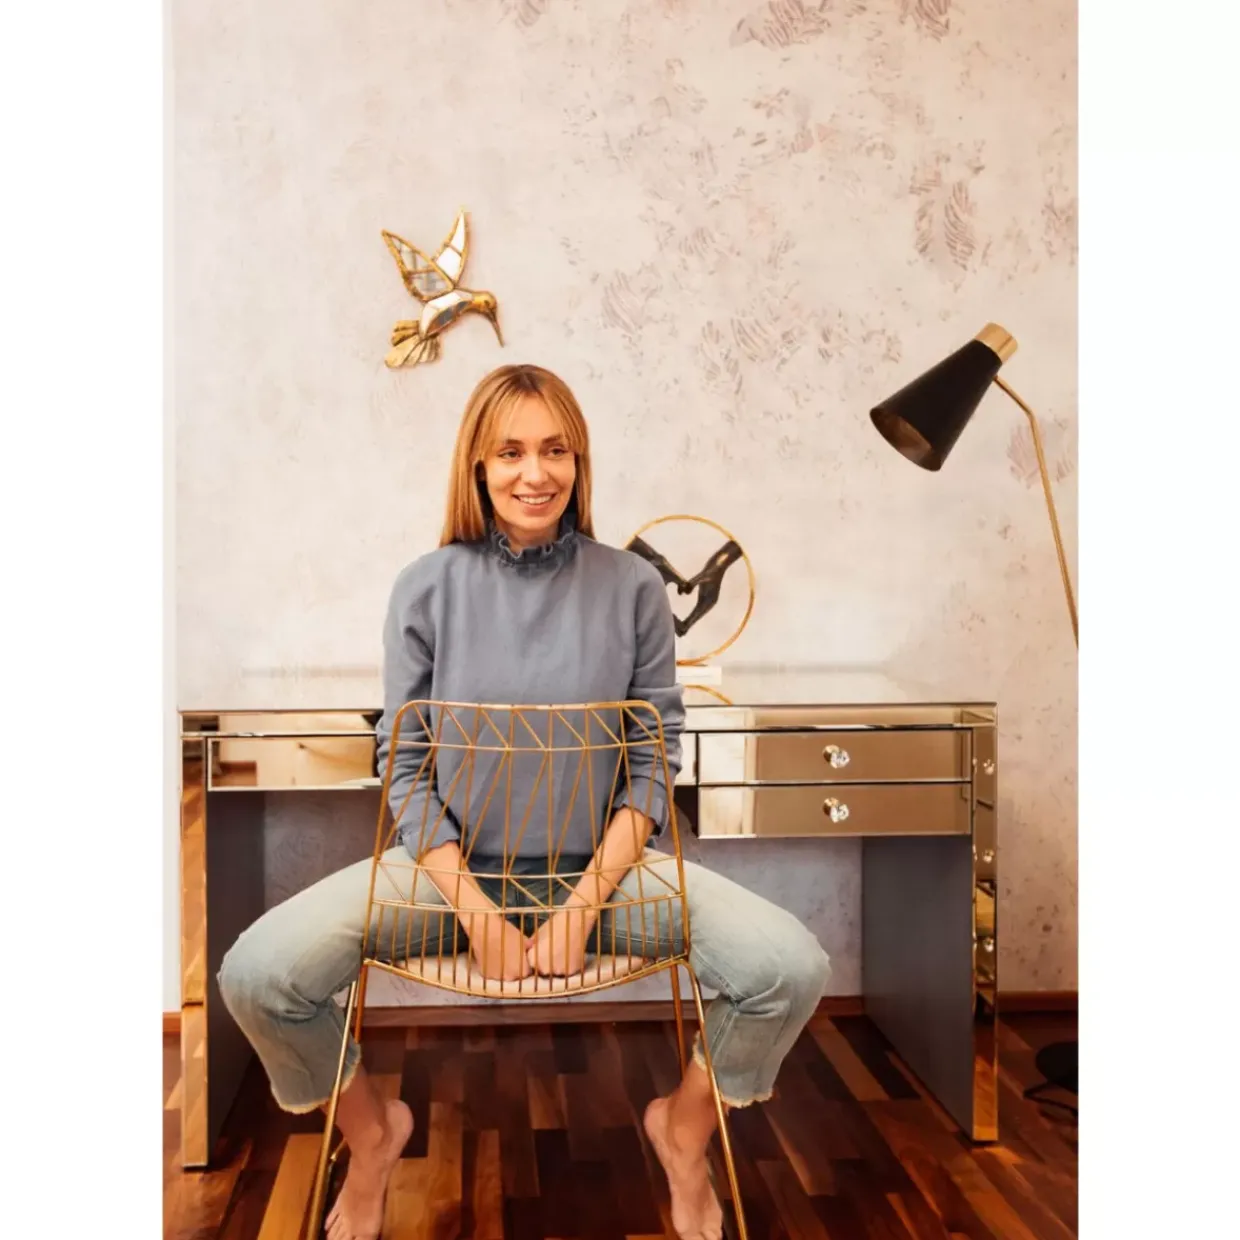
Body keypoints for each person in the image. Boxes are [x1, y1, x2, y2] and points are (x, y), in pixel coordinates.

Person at [218, 364, 832, 1240]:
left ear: (580, 462)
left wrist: (584, 904)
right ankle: (374, 1135)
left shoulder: (632, 587)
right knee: (257, 977)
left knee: (790, 968)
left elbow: (652, 760)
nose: (534, 473)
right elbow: (405, 765)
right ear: (477, 464)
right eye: (510, 452)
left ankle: (683, 1134)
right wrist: (474, 908)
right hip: (442, 879)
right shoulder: (425, 586)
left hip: (610, 878)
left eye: (555, 450)